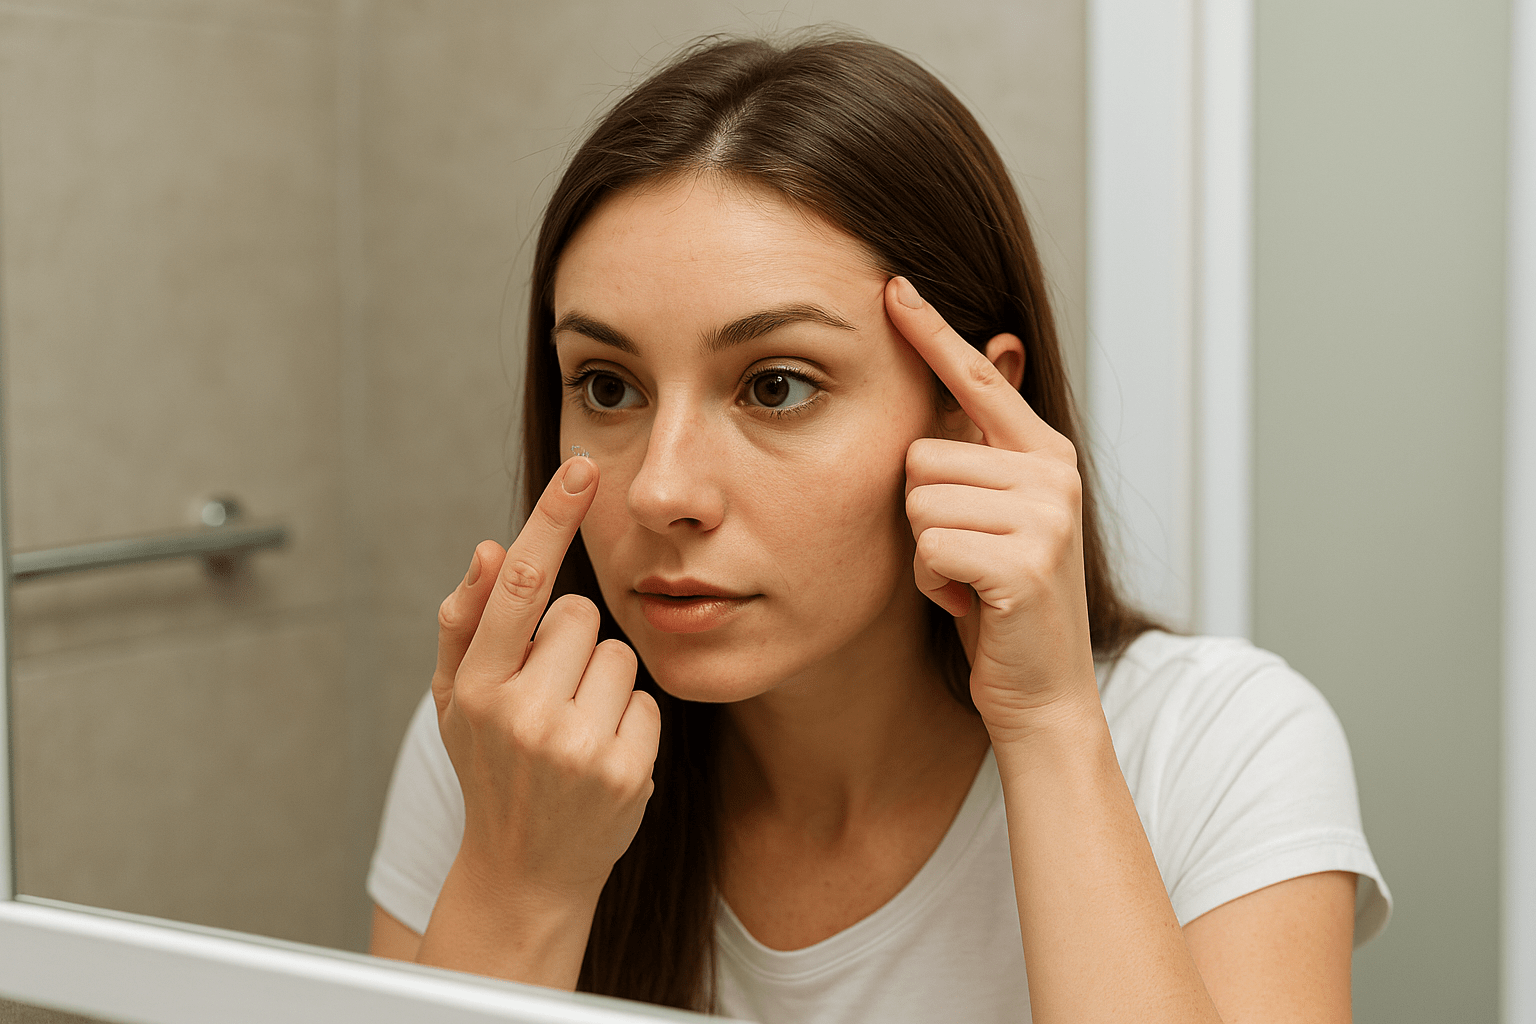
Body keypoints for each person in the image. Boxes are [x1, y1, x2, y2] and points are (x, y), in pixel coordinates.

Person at [365, 32, 1390, 1023]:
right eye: (606, 383)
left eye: (775, 385)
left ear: (970, 411)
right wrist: (520, 885)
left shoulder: (1218, 747)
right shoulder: (510, 745)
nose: (660, 490)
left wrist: (1049, 727)